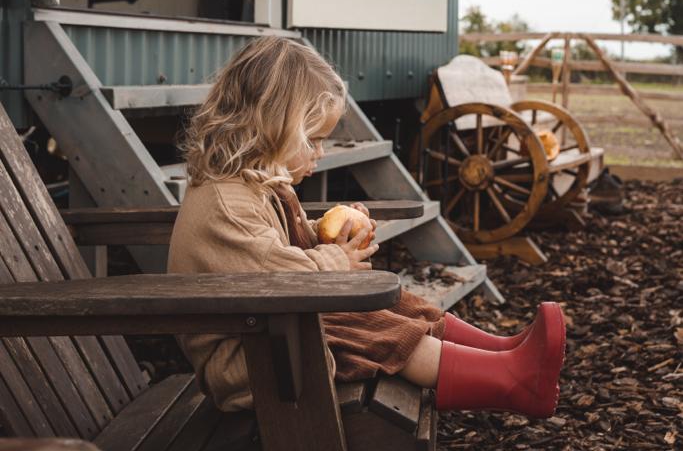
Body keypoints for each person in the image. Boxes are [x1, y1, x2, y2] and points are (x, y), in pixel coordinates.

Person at [169, 37, 565, 417]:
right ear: (271, 125)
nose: (320, 154)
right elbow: (282, 281)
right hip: (251, 362)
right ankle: (512, 380)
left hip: (269, 331)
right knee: (368, 323)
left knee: (392, 300)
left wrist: (325, 230)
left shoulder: (255, 184)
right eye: (314, 140)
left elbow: (270, 254)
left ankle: (499, 352)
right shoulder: (229, 204)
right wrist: (336, 259)